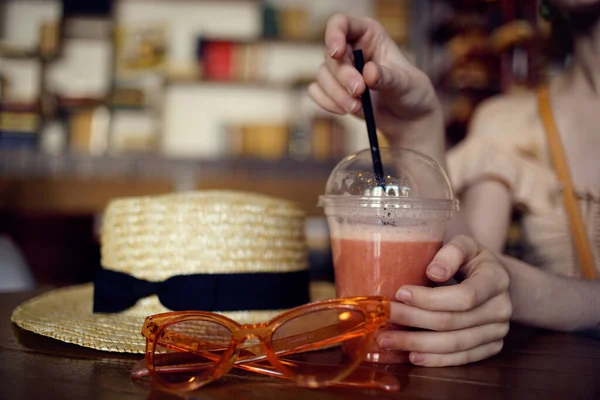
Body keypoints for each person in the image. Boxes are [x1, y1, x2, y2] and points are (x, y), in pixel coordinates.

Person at [308, 3, 600, 367]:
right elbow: (465, 271)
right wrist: (418, 130)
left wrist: (523, 288)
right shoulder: (505, 124)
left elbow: (493, 278)